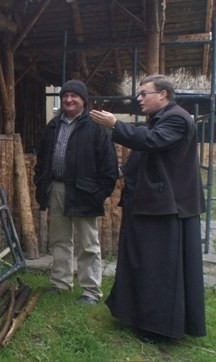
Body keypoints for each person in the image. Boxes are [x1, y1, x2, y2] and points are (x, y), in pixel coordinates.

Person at [90, 75, 206, 342]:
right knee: (143, 263)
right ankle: (139, 317)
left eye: (144, 93)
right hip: (151, 204)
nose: (139, 99)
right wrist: (122, 171)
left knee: (159, 268)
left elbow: (152, 142)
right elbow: (145, 153)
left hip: (166, 208)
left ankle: (159, 327)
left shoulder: (177, 118)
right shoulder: (161, 119)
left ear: (163, 94)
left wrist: (116, 125)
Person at [34, 80, 118, 304]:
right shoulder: (53, 126)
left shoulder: (96, 127)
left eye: (74, 96)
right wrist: (41, 181)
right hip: (57, 189)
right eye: (65, 96)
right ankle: (61, 284)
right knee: (59, 240)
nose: (69, 100)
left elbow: (109, 167)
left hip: (85, 191)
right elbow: (41, 160)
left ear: (83, 100)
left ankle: (90, 291)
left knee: (88, 244)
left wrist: (98, 193)